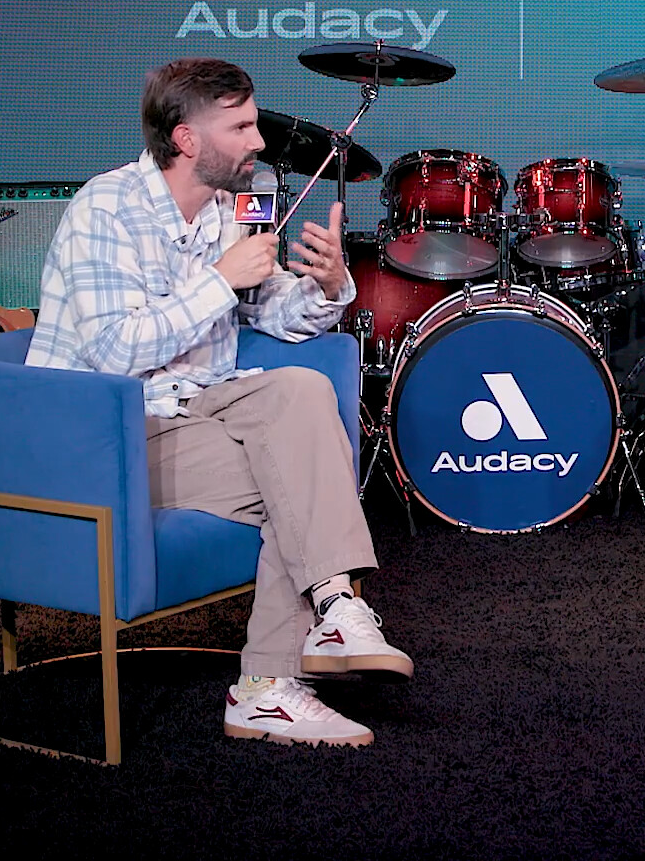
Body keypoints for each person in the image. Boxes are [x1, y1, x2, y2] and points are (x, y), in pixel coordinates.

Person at [26, 57, 410, 748]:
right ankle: (273, 680)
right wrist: (217, 281)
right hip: (105, 433)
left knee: (303, 390)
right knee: (296, 484)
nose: (260, 141)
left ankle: (330, 615)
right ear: (186, 140)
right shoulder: (104, 209)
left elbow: (269, 311)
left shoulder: (241, 204)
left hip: (201, 405)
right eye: (240, 128)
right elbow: (114, 353)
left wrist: (326, 287)